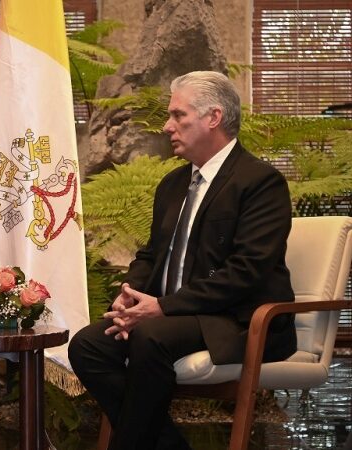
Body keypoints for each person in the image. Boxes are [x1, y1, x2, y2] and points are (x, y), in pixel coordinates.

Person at [69, 71, 296, 450]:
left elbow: (246, 271)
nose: (167, 126)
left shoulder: (260, 182)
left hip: (236, 318)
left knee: (151, 337)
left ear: (213, 117)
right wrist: (130, 295)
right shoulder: (172, 185)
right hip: (175, 315)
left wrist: (163, 307)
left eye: (178, 115)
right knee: (89, 345)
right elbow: (151, 255)